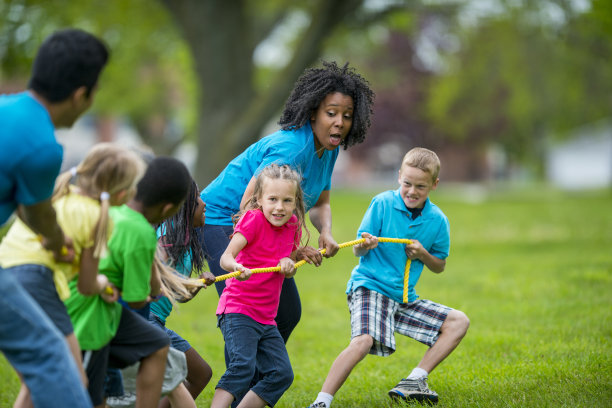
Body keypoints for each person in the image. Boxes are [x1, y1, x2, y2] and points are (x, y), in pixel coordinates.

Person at [201, 60, 375, 345]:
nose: (339, 123)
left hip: (253, 222)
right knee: (243, 314)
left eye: (347, 115)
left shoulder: (328, 149)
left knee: (287, 313)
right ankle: (240, 383)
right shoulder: (292, 148)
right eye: (331, 113)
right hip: (220, 220)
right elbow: (250, 205)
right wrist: (291, 250)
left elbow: (320, 204)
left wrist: (325, 232)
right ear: (313, 113)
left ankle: (261, 379)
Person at [306, 148, 470, 408]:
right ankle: (321, 402)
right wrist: (365, 245)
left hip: (403, 297)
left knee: (459, 322)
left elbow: (439, 266)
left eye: (420, 186)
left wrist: (423, 254)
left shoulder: (438, 221)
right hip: (370, 287)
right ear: (398, 177)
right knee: (363, 341)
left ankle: (414, 380)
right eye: (407, 183)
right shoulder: (382, 203)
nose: (412, 191)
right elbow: (358, 250)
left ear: (434, 185)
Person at [0, 28, 109, 408]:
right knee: (51, 354)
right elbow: (38, 213)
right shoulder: (43, 148)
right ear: (81, 94)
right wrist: (59, 241)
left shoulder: (4, 109)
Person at [0, 143, 145, 407]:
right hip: (33, 281)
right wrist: (104, 285)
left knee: (40, 379)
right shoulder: (99, 218)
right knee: (76, 379)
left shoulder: (57, 193)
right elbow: (88, 285)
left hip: (6, 275)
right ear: (123, 193)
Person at [64, 156, 193, 408]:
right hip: (88, 317)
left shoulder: (113, 209)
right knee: (86, 392)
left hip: (101, 309)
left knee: (156, 345)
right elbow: (136, 300)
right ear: (167, 209)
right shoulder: (142, 231)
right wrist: (149, 291)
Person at [211, 164, 309, 408]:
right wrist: (236, 267)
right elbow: (225, 258)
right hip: (238, 311)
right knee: (242, 366)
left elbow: (285, 262)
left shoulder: (292, 225)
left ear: (295, 202)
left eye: (287, 201)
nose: (279, 207)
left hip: (266, 318)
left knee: (281, 374)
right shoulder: (253, 220)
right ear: (259, 199)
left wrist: (290, 262)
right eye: (273, 199)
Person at [152, 179, 216, 406]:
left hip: (158, 322)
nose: (203, 203)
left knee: (201, 374)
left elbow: (178, 295)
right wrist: (189, 282)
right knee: (167, 383)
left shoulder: (186, 242)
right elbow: (157, 278)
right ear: (185, 206)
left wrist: (196, 285)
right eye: (198, 198)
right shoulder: (166, 236)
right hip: (144, 320)